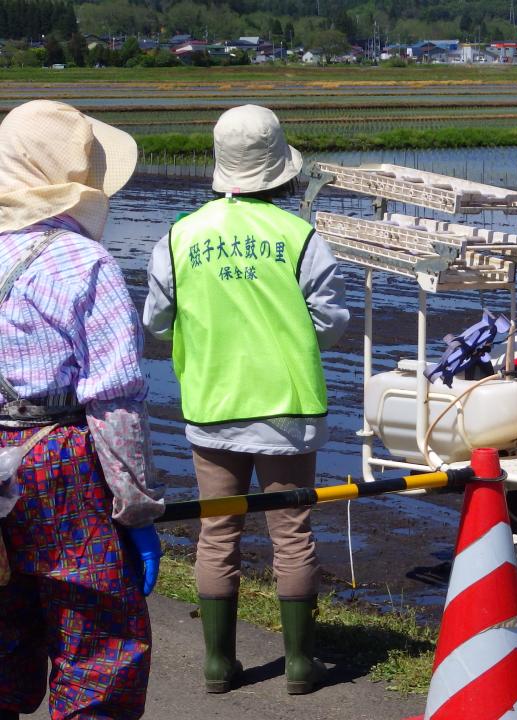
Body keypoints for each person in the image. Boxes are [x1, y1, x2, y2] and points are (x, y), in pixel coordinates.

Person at [143, 105, 349, 695]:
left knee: (217, 532)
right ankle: (301, 665)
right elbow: (330, 323)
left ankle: (216, 664)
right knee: (292, 532)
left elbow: (158, 321)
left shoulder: (179, 236)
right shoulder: (301, 237)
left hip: (211, 407)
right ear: (281, 170)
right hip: (287, 409)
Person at [0, 100, 165, 720]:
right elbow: (114, 401)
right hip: (57, 466)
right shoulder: (84, 263)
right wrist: (136, 506)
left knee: (3, 618)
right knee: (95, 630)